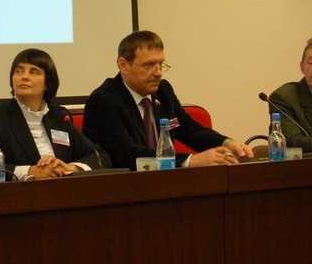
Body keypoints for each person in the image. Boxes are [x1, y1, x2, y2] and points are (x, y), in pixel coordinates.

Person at [82, 30, 250, 169]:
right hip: (123, 187)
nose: (158, 72)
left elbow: (188, 129)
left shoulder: (163, 91)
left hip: (163, 183)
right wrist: (189, 160)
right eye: (149, 65)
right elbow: (126, 154)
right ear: (123, 65)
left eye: (160, 64)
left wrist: (225, 143)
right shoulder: (103, 101)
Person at [0, 48, 108, 179]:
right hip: (20, 193)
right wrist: (29, 171)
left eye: (33, 72)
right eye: (19, 71)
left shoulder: (59, 116)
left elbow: (99, 156)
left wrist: (71, 168)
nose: (24, 77)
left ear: (47, 83)